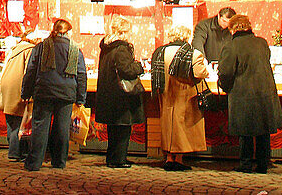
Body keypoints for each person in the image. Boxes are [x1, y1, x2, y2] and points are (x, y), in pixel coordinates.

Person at [218, 13, 282, 174]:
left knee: (245, 130)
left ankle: (245, 164)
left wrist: (225, 87)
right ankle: (263, 164)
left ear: (232, 28)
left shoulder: (231, 46)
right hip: (264, 92)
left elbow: (226, 72)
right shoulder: (262, 43)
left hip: (243, 93)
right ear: (249, 26)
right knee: (263, 130)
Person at [20, 17, 87, 172]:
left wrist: (26, 92)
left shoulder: (41, 47)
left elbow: (30, 71)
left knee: (40, 127)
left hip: (44, 92)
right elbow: (81, 75)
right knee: (62, 129)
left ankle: (34, 162)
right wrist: (80, 98)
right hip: (66, 94)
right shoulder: (75, 49)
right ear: (68, 32)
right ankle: (59, 161)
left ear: (54, 30)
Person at [151, 24, 207, 171]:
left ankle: (169, 158)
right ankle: (179, 159)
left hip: (165, 95)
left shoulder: (160, 52)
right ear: (186, 37)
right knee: (182, 128)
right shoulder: (192, 53)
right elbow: (199, 73)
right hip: (184, 96)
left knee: (168, 126)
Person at [95, 15, 145, 168]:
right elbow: (127, 70)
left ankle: (113, 157)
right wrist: (139, 66)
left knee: (113, 128)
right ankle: (119, 159)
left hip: (109, 93)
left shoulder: (106, 47)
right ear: (123, 32)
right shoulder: (121, 48)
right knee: (123, 128)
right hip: (121, 95)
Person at [0, 29, 35, 161]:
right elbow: (29, 72)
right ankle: (17, 153)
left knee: (11, 122)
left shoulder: (14, 49)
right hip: (18, 87)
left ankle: (13, 151)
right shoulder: (30, 50)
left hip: (7, 87)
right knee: (20, 123)